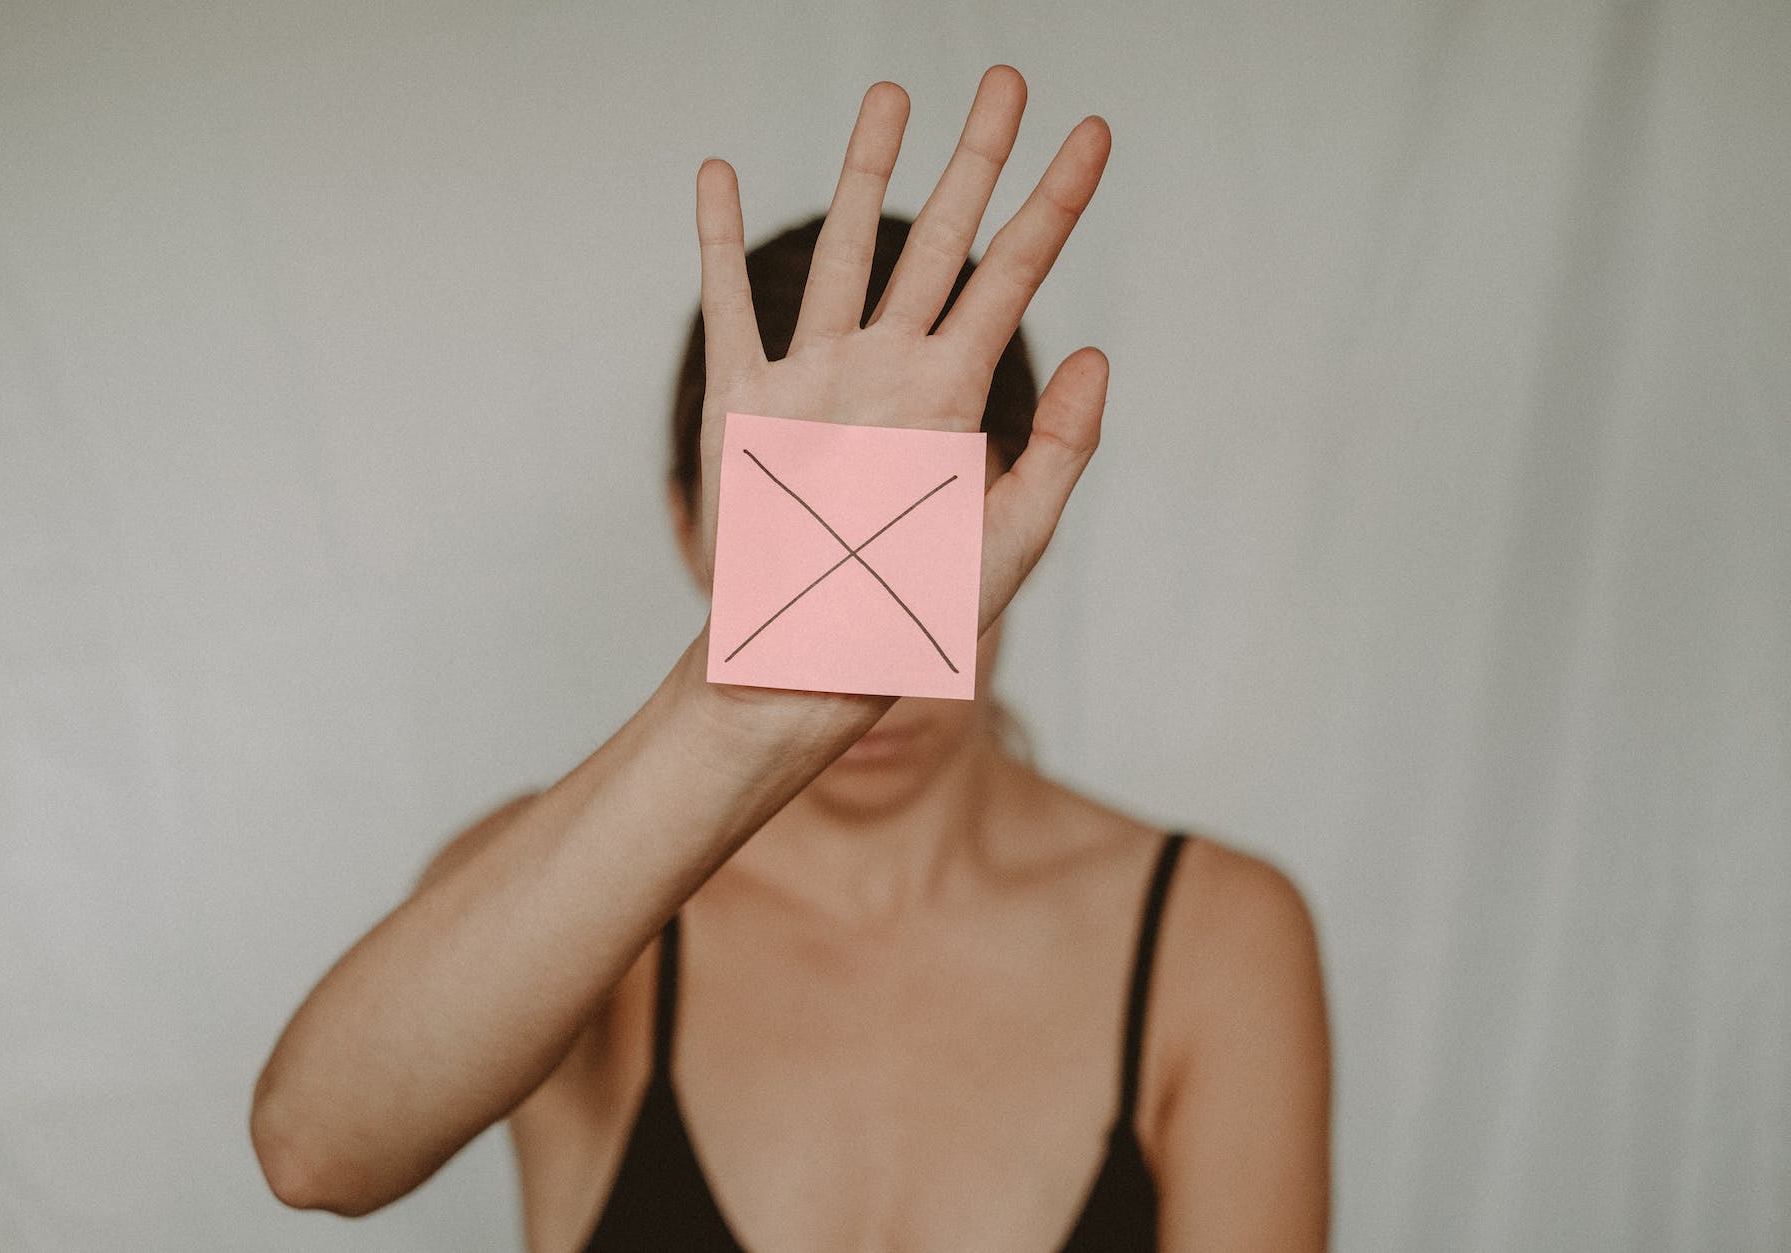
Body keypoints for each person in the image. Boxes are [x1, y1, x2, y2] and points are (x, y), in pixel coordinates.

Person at [249, 65, 1330, 1251]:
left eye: (917, 532)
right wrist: (730, 710)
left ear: (1017, 518)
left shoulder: (1212, 934)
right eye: (803, 535)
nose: (870, 648)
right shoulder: (562, 892)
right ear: (686, 524)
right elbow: (314, 1145)